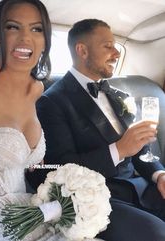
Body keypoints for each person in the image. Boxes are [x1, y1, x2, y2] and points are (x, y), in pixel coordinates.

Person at [0, 1, 105, 241]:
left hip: (33, 216)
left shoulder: (36, 89)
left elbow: (32, 165)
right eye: (13, 27)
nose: (25, 38)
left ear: (45, 41)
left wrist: (72, 187)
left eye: (36, 29)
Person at [26, 19, 165, 241]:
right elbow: (60, 167)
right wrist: (118, 149)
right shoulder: (52, 103)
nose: (116, 54)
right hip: (99, 200)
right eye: (107, 46)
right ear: (82, 50)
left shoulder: (117, 94)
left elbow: (140, 147)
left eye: (116, 46)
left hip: (141, 187)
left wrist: (159, 174)